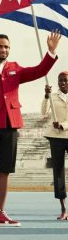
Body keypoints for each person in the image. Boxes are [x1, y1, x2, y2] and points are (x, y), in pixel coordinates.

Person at [0, 31, 61, 227]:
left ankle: (0, 212)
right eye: (0, 46)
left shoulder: (15, 69)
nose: (4, 50)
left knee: (5, 171)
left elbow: (38, 71)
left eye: (7, 47)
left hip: (11, 125)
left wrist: (50, 52)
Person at [41, 72, 68, 220]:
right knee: (58, 172)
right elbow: (43, 112)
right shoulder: (53, 96)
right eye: (60, 80)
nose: (63, 83)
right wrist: (46, 96)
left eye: (65, 80)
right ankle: (63, 209)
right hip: (55, 138)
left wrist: (63, 125)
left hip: (66, 132)